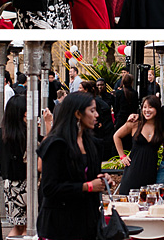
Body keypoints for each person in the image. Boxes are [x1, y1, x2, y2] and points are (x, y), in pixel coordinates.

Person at [37, 92, 113, 240]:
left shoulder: (93, 144)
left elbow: (91, 176)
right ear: (78, 113)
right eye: (92, 110)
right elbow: (49, 188)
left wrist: (103, 180)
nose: (97, 115)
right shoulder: (56, 144)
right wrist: (87, 186)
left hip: (87, 223)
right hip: (60, 225)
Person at [0, 95, 28, 238]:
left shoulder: (2, 132)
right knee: (28, 227)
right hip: (25, 184)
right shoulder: (26, 133)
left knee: (17, 226)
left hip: (9, 184)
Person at [115, 95, 163, 194]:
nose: (147, 110)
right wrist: (122, 156)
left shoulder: (161, 126)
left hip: (151, 171)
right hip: (133, 169)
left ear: (157, 108)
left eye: (150, 107)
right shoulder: (135, 124)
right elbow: (116, 136)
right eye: (144, 107)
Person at [113, 73, 139, 139]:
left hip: (120, 118)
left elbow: (116, 107)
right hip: (131, 119)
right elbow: (135, 107)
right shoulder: (134, 93)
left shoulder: (119, 93)